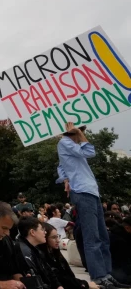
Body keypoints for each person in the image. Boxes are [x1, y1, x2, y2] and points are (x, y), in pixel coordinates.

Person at [56, 122, 123, 289]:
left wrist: (65, 178)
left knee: (102, 236)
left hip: (90, 191)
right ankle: (100, 277)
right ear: (74, 131)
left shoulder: (68, 146)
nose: (83, 134)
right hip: (83, 191)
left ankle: (107, 274)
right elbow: (90, 152)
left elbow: (60, 165)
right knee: (92, 237)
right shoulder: (65, 142)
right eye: (81, 130)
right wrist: (79, 134)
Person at [40, 223, 99, 289]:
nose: (58, 240)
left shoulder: (55, 253)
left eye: (57, 236)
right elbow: (61, 278)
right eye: (53, 237)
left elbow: (69, 275)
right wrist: (84, 284)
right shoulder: (42, 257)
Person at [14, 217, 63, 289]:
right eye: (42, 229)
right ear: (32, 232)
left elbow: (48, 271)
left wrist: (58, 286)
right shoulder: (24, 252)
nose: (45, 232)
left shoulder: (35, 249)